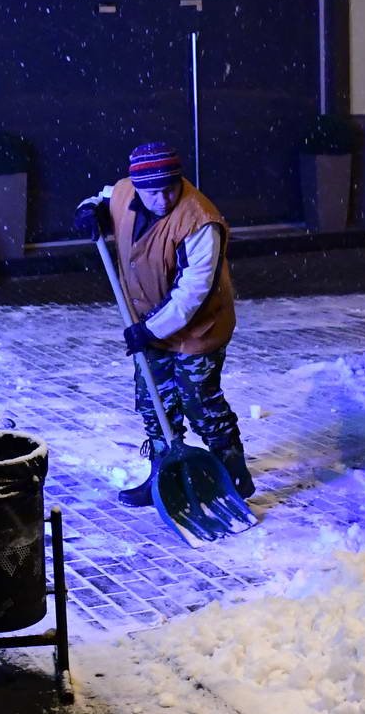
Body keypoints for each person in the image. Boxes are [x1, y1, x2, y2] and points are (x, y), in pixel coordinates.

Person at [73, 142, 255, 506]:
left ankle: (233, 473)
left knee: (199, 401)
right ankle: (163, 471)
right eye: (153, 191)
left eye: (171, 187)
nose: (163, 198)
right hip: (148, 322)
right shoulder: (126, 193)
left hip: (198, 329)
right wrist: (88, 210)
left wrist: (148, 331)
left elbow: (192, 294)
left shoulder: (200, 221)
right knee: (153, 402)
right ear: (138, 186)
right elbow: (103, 198)